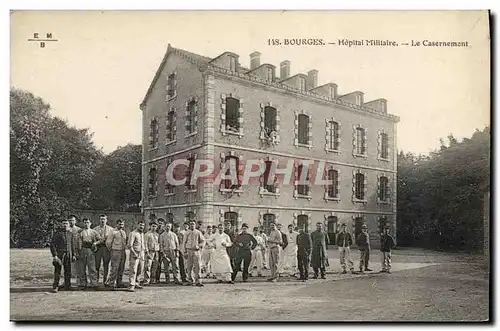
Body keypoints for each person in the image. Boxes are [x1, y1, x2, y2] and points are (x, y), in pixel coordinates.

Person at [50, 219, 77, 293]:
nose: (65, 225)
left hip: (68, 254)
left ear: (69, 225)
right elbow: (52, 245)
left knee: (68, 271)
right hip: (59, 255)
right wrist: (55, 255)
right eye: (64, 224)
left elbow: (73, 245)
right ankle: (55, 286)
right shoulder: (58, 233)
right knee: (57, 271)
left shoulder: (71, 234)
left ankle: (67, 286)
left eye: (66, 224)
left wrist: (74, 255)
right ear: (61, 225)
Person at [76, 218, 99, 290]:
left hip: (91, 250)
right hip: (82, 249)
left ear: (90, 223)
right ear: (83, 223)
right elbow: (78, 241)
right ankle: (83, 283)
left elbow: (101, 239)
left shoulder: (94, 232)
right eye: (85, 222)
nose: (86, 224)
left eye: (88, 222)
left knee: (92, 267)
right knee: (82, 267)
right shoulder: (80, 232)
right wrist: (78, 251)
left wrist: (95, 243)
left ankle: (94, 283)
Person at [105, 219, 128, 289]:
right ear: (116, 224)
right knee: (114, 268)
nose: (121, 226)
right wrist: (112, 250)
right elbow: (108, 243)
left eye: (122, 224)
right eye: (120, 224)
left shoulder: (123, 232)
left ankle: (119, 282)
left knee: (121, 268)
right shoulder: (113, 232)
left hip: (122, 251)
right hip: (115, 251)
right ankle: (110, 283)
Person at [93, 214, 114, 285]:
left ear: (106, 220)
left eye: (104, 219)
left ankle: (105, 281)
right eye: (101, 219)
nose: (102, 221)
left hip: (106, 248)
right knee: (97, 265)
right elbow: (93, 240)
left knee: (106, 264)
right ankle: (96, 280)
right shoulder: (95, 229)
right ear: (99, 220)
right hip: (98, 248)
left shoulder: (111, 229)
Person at [183, 220, 205, 287]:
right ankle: (190, 280)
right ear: (189, 225)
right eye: (191, 224)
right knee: (189, 266)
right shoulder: (187, 233)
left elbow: (203, 241)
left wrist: (199, 246)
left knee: (197, 266)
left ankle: (198, 281)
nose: (192, 225)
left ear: (195, 225)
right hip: (189, 251)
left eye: (193, 224)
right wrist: (185, 252)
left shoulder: (198, 232)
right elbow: (184, 242)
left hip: (196, 251)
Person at [127, 220, 146, 292]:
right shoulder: (133, 233)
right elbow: (130, 245)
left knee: (140, 269)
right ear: (137, 225)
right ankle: (131, 285)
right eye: (140, 225)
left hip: (141, 253)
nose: (142, 227)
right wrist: (134, 253)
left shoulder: (142, 234)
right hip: (135, 253)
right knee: (133, 270)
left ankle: (137, 282)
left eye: (143, 225)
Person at [68, 215, 81, 279]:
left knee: (78, 266)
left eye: (72, 220)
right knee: (68, 265)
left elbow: (80, 241)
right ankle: (67, 281)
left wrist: (79, 250)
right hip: (68, 249)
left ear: (75, 221)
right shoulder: (66, 229)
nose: (71, 222)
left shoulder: (79, 230)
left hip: (76, 249)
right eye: (70, 220)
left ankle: (78, 281)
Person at [155, 218, 166, 283]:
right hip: (156, 250)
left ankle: (167, 278)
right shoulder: (154, 230)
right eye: (159, 223)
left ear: (163, 224)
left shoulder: (165, 231)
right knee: (157, 264)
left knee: (165, 264)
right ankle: (156, 278)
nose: (160, 225)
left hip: (163, 250)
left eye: (161, 223)